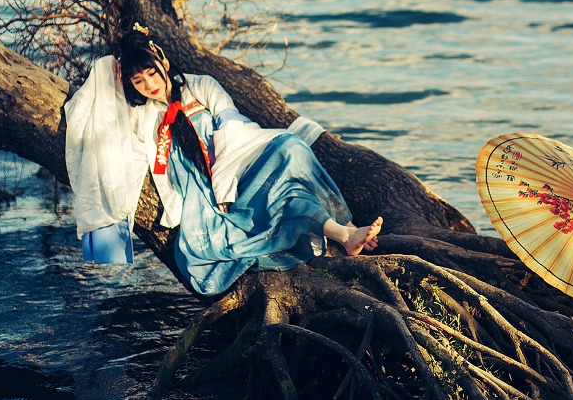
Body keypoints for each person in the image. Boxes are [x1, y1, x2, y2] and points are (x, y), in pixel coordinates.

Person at [64, 27, 382, 296]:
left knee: (291, 148)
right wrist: (111, 71)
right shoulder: (145, 115)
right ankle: (345, 235)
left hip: (238, 173)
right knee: (288, 197)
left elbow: (232, 129)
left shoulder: (200, 86)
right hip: (204, 198)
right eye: (138, 81)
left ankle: (347, 228)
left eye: (151, 72)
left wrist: (225, 187)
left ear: (163, 60)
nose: (149, 84)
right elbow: (96, 116)